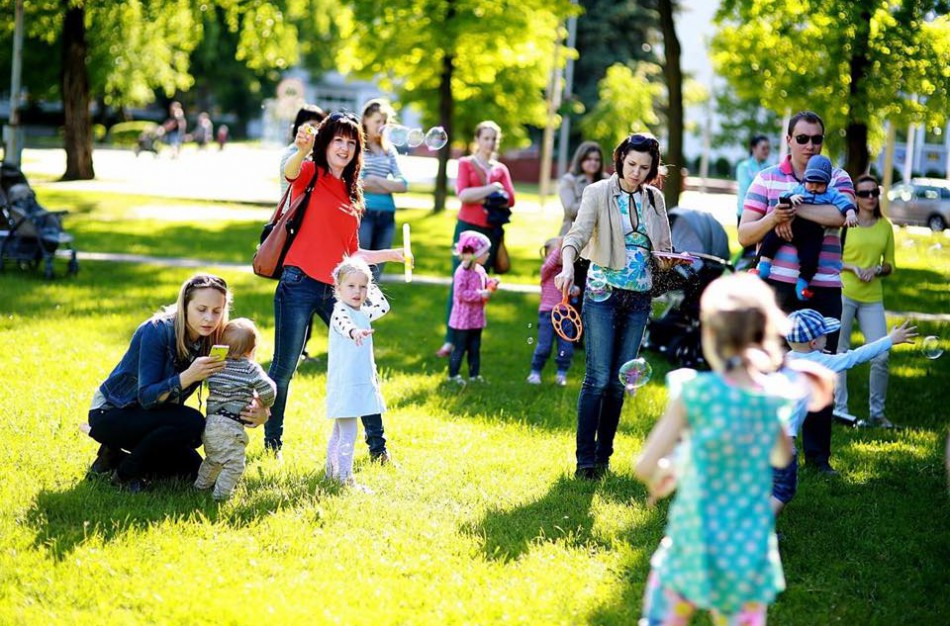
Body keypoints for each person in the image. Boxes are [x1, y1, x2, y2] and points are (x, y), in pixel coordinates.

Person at [633, 273, 798, 626]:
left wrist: (669, 468)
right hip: (747, 549)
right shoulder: (771, 399)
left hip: (693, 540)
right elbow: (782, 457)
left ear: (709, 334)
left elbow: (645, 464)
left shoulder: (695, 393)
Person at [267, 112, 408, 464]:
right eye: (338, 140)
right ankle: (273, 445)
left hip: (337, 290)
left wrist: (392, 254)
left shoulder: (352, 193)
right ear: (326, 143)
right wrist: (302, 149)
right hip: (297, 283)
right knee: (284, 369)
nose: (344, 148)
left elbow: (351, 252)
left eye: (351, 142)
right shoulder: (312, 173)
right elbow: (290, 172)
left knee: (363, 364)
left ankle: (378, 449)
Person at [554, 133, 679, 480]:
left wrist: (671, 261)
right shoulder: (597, 192)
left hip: (639, 298)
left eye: (645, 166)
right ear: (620, 160)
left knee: (617, 383)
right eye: (631, 164)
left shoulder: (655, 199)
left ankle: (603, 457)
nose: (637, 172)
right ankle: (584, 462)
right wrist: (567, 266)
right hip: (603, 293)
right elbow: (576, 236)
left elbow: (664, 248)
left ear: (653, 167)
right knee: (597, 378)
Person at [740, 110, 851, 475]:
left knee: (822, 371)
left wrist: (796, 214)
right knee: (771, 365)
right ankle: (767, 448)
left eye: (816, 139)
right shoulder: (767, 178)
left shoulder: (838, 176)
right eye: (801, 138)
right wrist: (776, 218)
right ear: (788, 140)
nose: (809, 145)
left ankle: (818, 459)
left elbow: (839, 217)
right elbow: (745, 234)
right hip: (776, 287)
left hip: (823, 289)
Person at [85, 274, 268, 492]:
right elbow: (146, 398)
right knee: (192, 422)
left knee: (194, 472)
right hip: (112, 412)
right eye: (201, 309)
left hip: (156, 419)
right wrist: (189, 376)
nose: (209, 318)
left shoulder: (213, 338)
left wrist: (262, 410)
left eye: (216, 311)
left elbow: (240, 378)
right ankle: (126, 473)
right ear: (185, 305)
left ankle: (112, 455)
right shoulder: (156, 330)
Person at [773, 309, 917, 515]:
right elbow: (855, 357)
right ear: (813, 343)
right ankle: (756, 532)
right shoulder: (820, 362)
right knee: (783, 491)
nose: (828, 338)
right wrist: (889, 340)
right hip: (783, 441)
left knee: (766, 486)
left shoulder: (783, 360)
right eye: (825, 335)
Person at [436, 121, 516, 358]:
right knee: (460, 283)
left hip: (490, 233)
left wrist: (482, 195)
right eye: (486, 138)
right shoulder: (465, 163)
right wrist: (492, 190)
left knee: (481, 286)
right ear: (477, 139)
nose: (489, 143)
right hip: (468, 231)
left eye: (494, 138)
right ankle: (451, 340)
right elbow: (463, 194)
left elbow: (510, 199)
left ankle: (471, 339)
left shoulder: (501, 168)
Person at [834, 174, 897, 428]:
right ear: (855, 197)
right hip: (844, 292)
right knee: (840, 353)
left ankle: (877, 413)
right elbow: (831, 259)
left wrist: (878, 270)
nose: (870, 197)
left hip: (873, 297)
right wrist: (853, 268)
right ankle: (840, 410)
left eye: (874, 192)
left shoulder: (886, 227)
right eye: (864, 193)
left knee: (881, 355)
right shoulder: (845, 223)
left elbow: (890, 264)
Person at [325, 258, 391, 490]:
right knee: (348, 433)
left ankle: (330, 473)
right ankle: (344, 478)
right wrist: (355, 332)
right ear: (338, 288)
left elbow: (384, 307)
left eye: (362, 287)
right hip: (346, 385)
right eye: (351, 286)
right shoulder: (340, 312)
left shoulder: (363, 311)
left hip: (359, 383)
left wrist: (369, 283)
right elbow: (345, 326)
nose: (357, 291)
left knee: (339, 430)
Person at [195, 318, 276, 501]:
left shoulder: (215, 366)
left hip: (210, 425)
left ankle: (199, 487)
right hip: (230, 426)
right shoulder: (250, 368)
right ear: (251, 350)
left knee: (214, 459)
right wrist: (264, 403)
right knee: (234, 465)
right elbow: (268, 389)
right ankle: (221, 496)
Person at [755, 154, 857, 301]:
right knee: (772, 237)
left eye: (820, 184)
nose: (814, 188)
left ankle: (802, 283)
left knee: (811, 257)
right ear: (805, 180)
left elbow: (845, 204)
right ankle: (764, 265)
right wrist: (791, 199)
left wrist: (850, 214)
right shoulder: (800, 189)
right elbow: (783, 197)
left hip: (813, 232)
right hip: (794, 224)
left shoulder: (832, 194)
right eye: (811, 183)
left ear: (827, 183)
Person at [278, 104, 328, 361]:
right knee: (298, 292)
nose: (314, 131)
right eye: (309, 126)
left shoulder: (323, 157)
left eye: (319, 127)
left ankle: (302, 348)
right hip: (294, 233)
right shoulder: (293, 154)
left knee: (310, 295)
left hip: (314, 236)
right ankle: (295, 349)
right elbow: (289, 181)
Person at [558, 141, 608, 328]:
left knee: (594, 287)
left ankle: (588, 329)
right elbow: (570, 208)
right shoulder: (569, 180)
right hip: (575, 239)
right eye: (588, 159)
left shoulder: (606, 181)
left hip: (599, 242)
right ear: (580, 160)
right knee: (574, 286)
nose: (593, 163)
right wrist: (594, 204)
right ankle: (570, 330)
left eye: (596, 159)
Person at [360, 99, 409, 281]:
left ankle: (371, 309)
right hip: (365, 213)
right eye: (377, 121)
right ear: (365, 119)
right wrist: (388, 185)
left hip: (387, 216)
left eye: (384, 122)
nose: (381, 126)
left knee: (377, 274)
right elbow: (358, 183)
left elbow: (403, 184)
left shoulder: (389, 150)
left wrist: (374, 180)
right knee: (360, 267)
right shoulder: (358, 147)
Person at [448, 231, 497, 384]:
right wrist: (480, 295)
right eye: (485, 252)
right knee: (460, 348)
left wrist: (491, 284)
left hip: (476, 319)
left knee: (475, 348)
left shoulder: (480, 270)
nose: (488, 254)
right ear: (475, 254)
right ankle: (453, 375)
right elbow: (461, 293)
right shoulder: (462, 272)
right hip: (462, 320)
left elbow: (485, 284)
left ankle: (474, 375)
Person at [527, 237, 576, 386]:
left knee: (566, 348)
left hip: (565, 316)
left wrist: (574, 290)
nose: (561, 255)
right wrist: (560, 246)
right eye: (558, 253)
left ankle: (562, 373)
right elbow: (550, 264)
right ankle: (535, 372)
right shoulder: (546, 271)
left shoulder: (567, 272)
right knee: (544, 347)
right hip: (548, 314)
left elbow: (569, 291)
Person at [280, 104, 327, 197]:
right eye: (312, 126)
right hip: (293, 210)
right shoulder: (292, 153)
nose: (316, 131)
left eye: (320, 127)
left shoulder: (319, 152)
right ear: (299, 128)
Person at [736, 134, 772, 223]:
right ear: (754, 148)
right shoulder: (744, 166)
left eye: (768, 148)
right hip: (746, 212)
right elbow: (747, 189)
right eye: (763, 148)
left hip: (765, 215)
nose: (766, 151)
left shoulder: (770, 168)